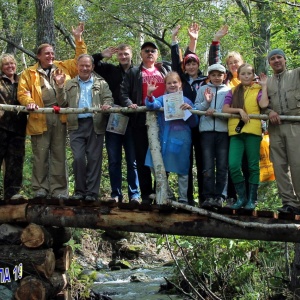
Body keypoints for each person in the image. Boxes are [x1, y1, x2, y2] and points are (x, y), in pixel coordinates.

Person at [17, 23, 86, 199]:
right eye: (47, 53)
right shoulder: (28, 73)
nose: (51, 56)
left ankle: (59, 191)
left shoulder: (62, 67)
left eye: (52, 53)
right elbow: (22, 92)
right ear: (39, 56)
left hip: (60, 116)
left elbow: (81, 58)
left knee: (59, 154)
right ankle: (40, 189)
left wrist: (78, 39)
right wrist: (30, 102)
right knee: (40, 155)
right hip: (39, 116)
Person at [54, 54, 113, 201]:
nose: (85, 68)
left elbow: (108, 98)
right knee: (79, 158)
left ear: (92, 67)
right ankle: (79, 191)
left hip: (95, 124)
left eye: (88, 65)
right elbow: (62, 103)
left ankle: (92, 193)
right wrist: (60, 87)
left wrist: (107, 104)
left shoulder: (101, 83)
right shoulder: (70, 83)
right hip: (76, 125)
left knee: (94, 159)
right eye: (82, 65)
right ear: (77, 67)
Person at [120, 41, 172, 204]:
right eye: (146, 50)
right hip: (140, 119)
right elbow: (123, 93)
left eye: (153, 51)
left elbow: (176, 85)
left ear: (157, 54)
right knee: (142, 158)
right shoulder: (134, 72)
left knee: (164, 156)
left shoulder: (164, 70)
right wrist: (130, 104)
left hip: (163, 119)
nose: (150, 53)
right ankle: (146, 195)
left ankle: (161, 192)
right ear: (141, 54)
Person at [92, 45, 140, 203]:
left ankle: (135, 195)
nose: (123, 57)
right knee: (114, 160)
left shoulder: (138, 72)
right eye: (120, 54)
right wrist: (101, 55)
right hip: (113, 121)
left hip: (133, 122)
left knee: (133, 160)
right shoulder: (111, 70)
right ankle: (116, 194)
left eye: (126, 54)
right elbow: (91, 63)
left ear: (131, 55)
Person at [145, 71, 198, 203]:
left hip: (181, 141)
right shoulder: (162, 99)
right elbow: (152, 105)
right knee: (154, 164)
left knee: (182, 169)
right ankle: (167, 193)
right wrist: (150, 95)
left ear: (180, 84)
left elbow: (194, 123)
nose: (172, 85)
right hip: (163, 140)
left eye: (175, 82)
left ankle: (183, 198)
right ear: (165, 85)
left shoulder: (186, 101)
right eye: (169, 83)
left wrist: (189, 110)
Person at [222, 64, 269, 210]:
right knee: (234, 164)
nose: (246, 76)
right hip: (236, 133)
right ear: (239, 75)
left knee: (253, 166)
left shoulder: (258, 90)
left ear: (253, 75)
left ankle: (252, 199)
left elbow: (264, 104)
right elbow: (225, 109)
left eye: (249, 73)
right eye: (243, 74)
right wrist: (239, 110)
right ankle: (241, 197)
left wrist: (265, 86)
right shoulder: (233, 90)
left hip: (253, 132)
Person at [265, 49, 300, 214]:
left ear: (285, 60)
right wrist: (269, 112)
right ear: (269, 63)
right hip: (275, 128)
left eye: (279, 57)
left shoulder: (296, 74)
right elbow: (261, 104)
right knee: (279, 166)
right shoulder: (266, 82)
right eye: (273, 58)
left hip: (295, 125)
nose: (276, 60)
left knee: (297, 164)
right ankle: (289, 203)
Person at [195, 64, 230, 208]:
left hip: (223, 132)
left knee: (222, 165)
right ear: (209, 76)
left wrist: (216, 111)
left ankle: (221, 196)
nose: (216, 78)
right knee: (208, 166)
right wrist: (207, 103)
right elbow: (197, 107)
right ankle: (208, 196)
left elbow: (230, 111)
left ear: (224, 76)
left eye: (219, 75)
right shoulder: (203, 89)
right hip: (206, 132)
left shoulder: (229, 91)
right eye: (213, 75)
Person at [0, 54, 27, 201]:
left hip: (18, 128)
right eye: (6, 64)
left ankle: (12, 196)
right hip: (1, 127)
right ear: (2, 68)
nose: (10, 66)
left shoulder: (22, 80)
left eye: (12, 64)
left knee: (15, 162)